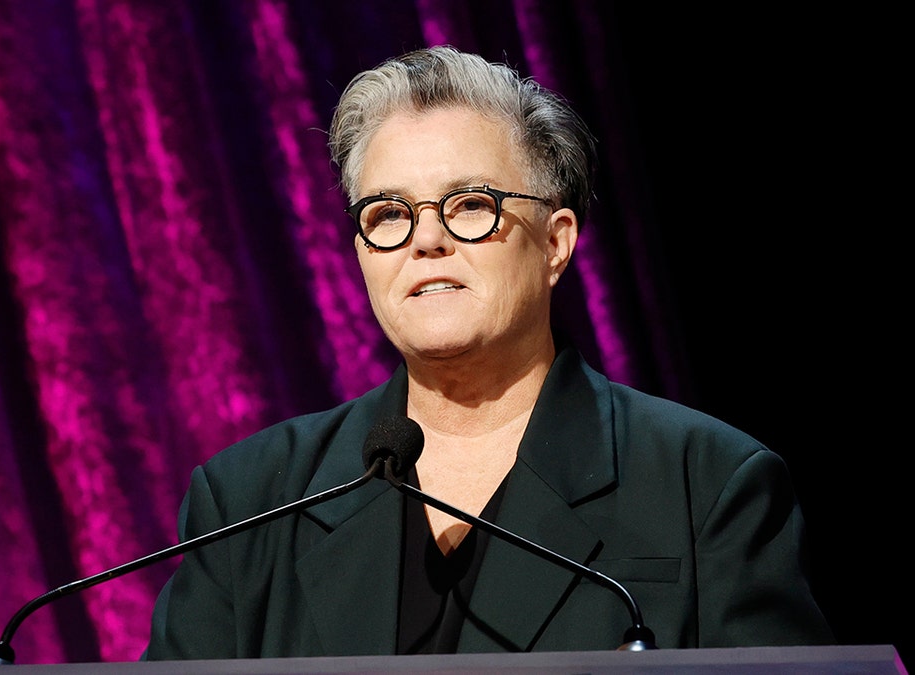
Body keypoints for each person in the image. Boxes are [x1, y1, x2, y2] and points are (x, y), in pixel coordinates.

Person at [143, 45, 832, 659]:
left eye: (470, 204)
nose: (425, 240)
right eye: (387, 214)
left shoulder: (707, 483)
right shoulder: (250, 501)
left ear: (555, 241)